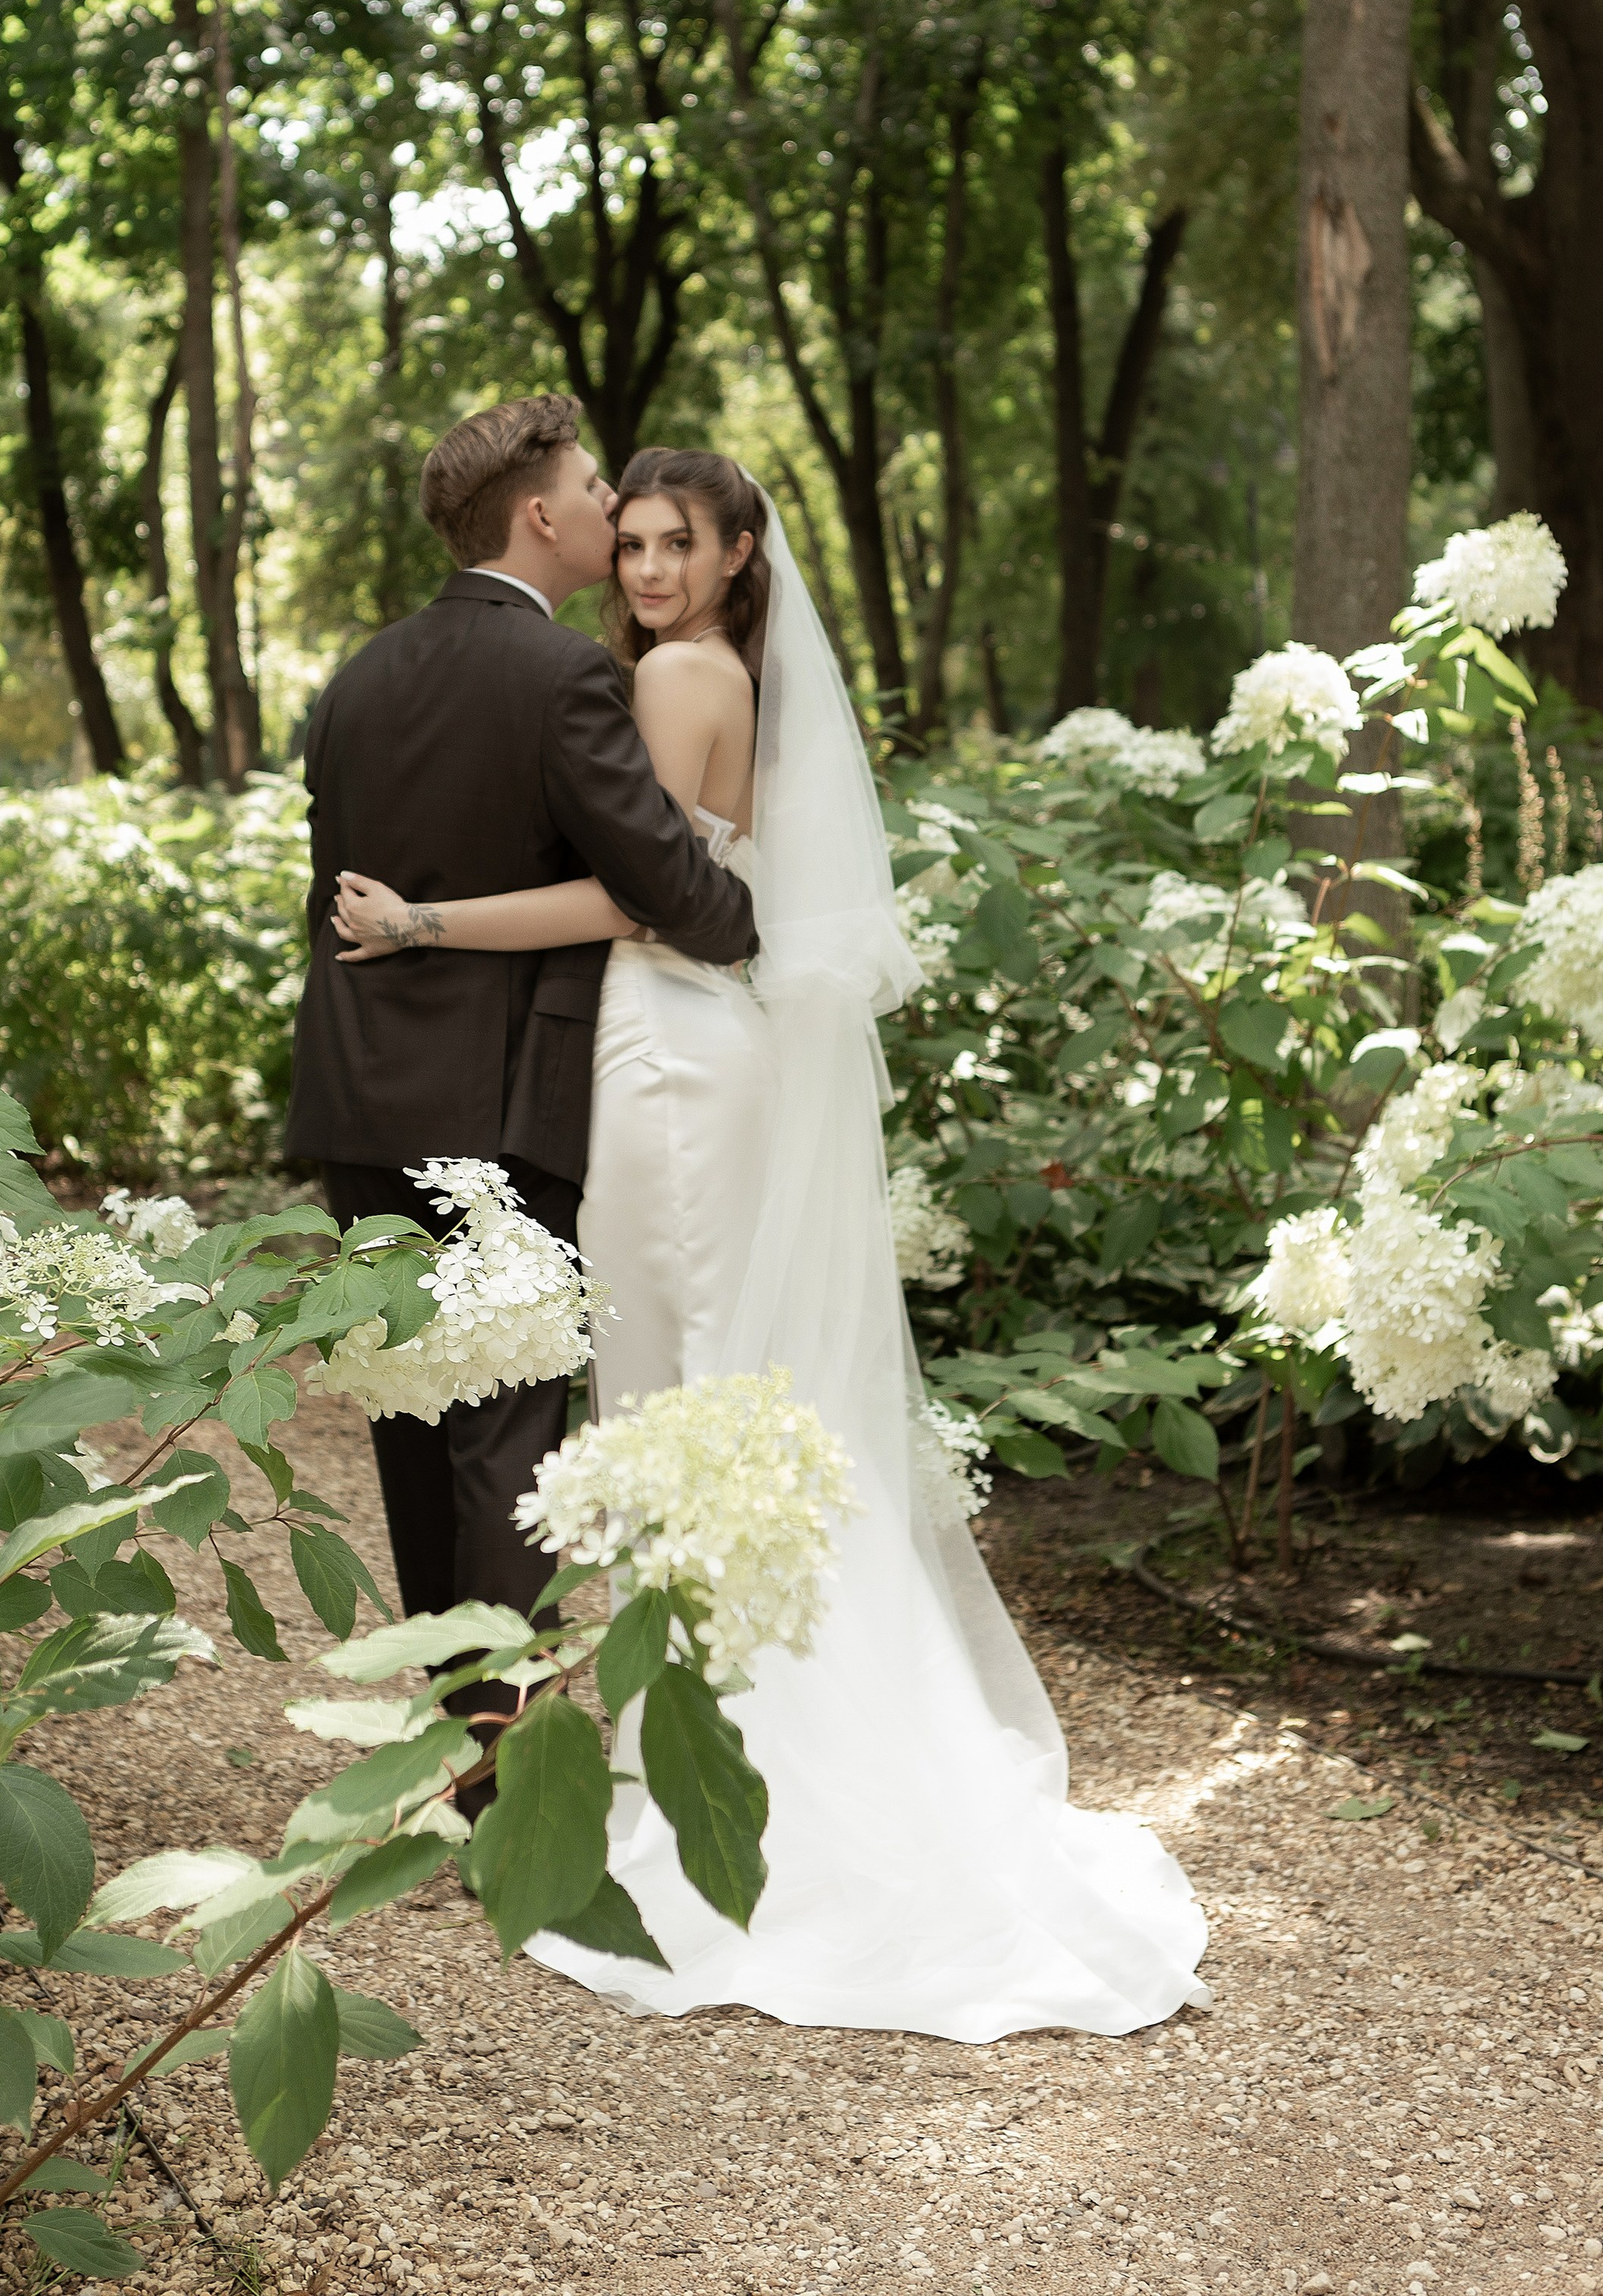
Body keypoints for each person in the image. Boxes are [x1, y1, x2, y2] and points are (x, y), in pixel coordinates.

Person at [333, 447, 1210, 2043]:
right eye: (638, 538)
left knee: (678, 1407)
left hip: (663, 1056)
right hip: (688, 1052)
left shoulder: (672, 673)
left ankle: (734, 1786)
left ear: (741, 558)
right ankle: (722, 1743)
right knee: (700, 1396)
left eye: (679, 543)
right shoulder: (709, 669)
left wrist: (420, 925)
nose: (650, 566)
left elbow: (637, 898)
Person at [284, 395, 758, 1649]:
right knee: (508, 1432)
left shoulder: (354, 680)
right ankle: (502, 1753)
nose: (616, 510)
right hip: (502, 1107)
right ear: (543, 513)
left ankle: (455, 1734)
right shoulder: (567, 676)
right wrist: (748, 911)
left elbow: (332, 898)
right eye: (600, 492)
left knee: (412, 1416)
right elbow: (680, 892)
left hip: (360, 1099)